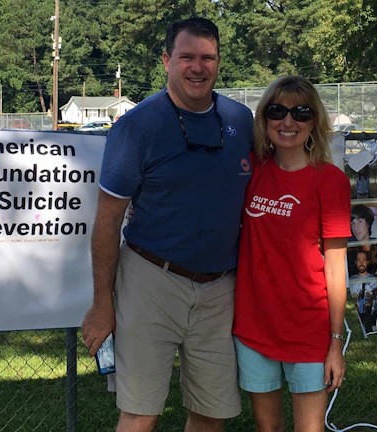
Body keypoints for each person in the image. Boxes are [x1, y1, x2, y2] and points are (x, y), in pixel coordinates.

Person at [80, 17, 254, 432]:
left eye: (207, 57)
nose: (198, 67)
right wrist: (103, 304)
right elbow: (107, 222)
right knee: (141, 412)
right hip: (151, 279)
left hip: (220, 287)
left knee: (212, 411)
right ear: (167, 61)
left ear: (218, 61)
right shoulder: (137, 126)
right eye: (187, 56)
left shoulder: (241, 120)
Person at [233, 75, 350, 432]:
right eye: (277, 111)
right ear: (264, 119)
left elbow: (335, 268)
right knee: (267, 428)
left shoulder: (330, 181)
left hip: (308, 330)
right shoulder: (250, 171)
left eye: (300, 112)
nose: (288, 122)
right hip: (254, 326)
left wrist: (334, 344)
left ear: (314, 121)